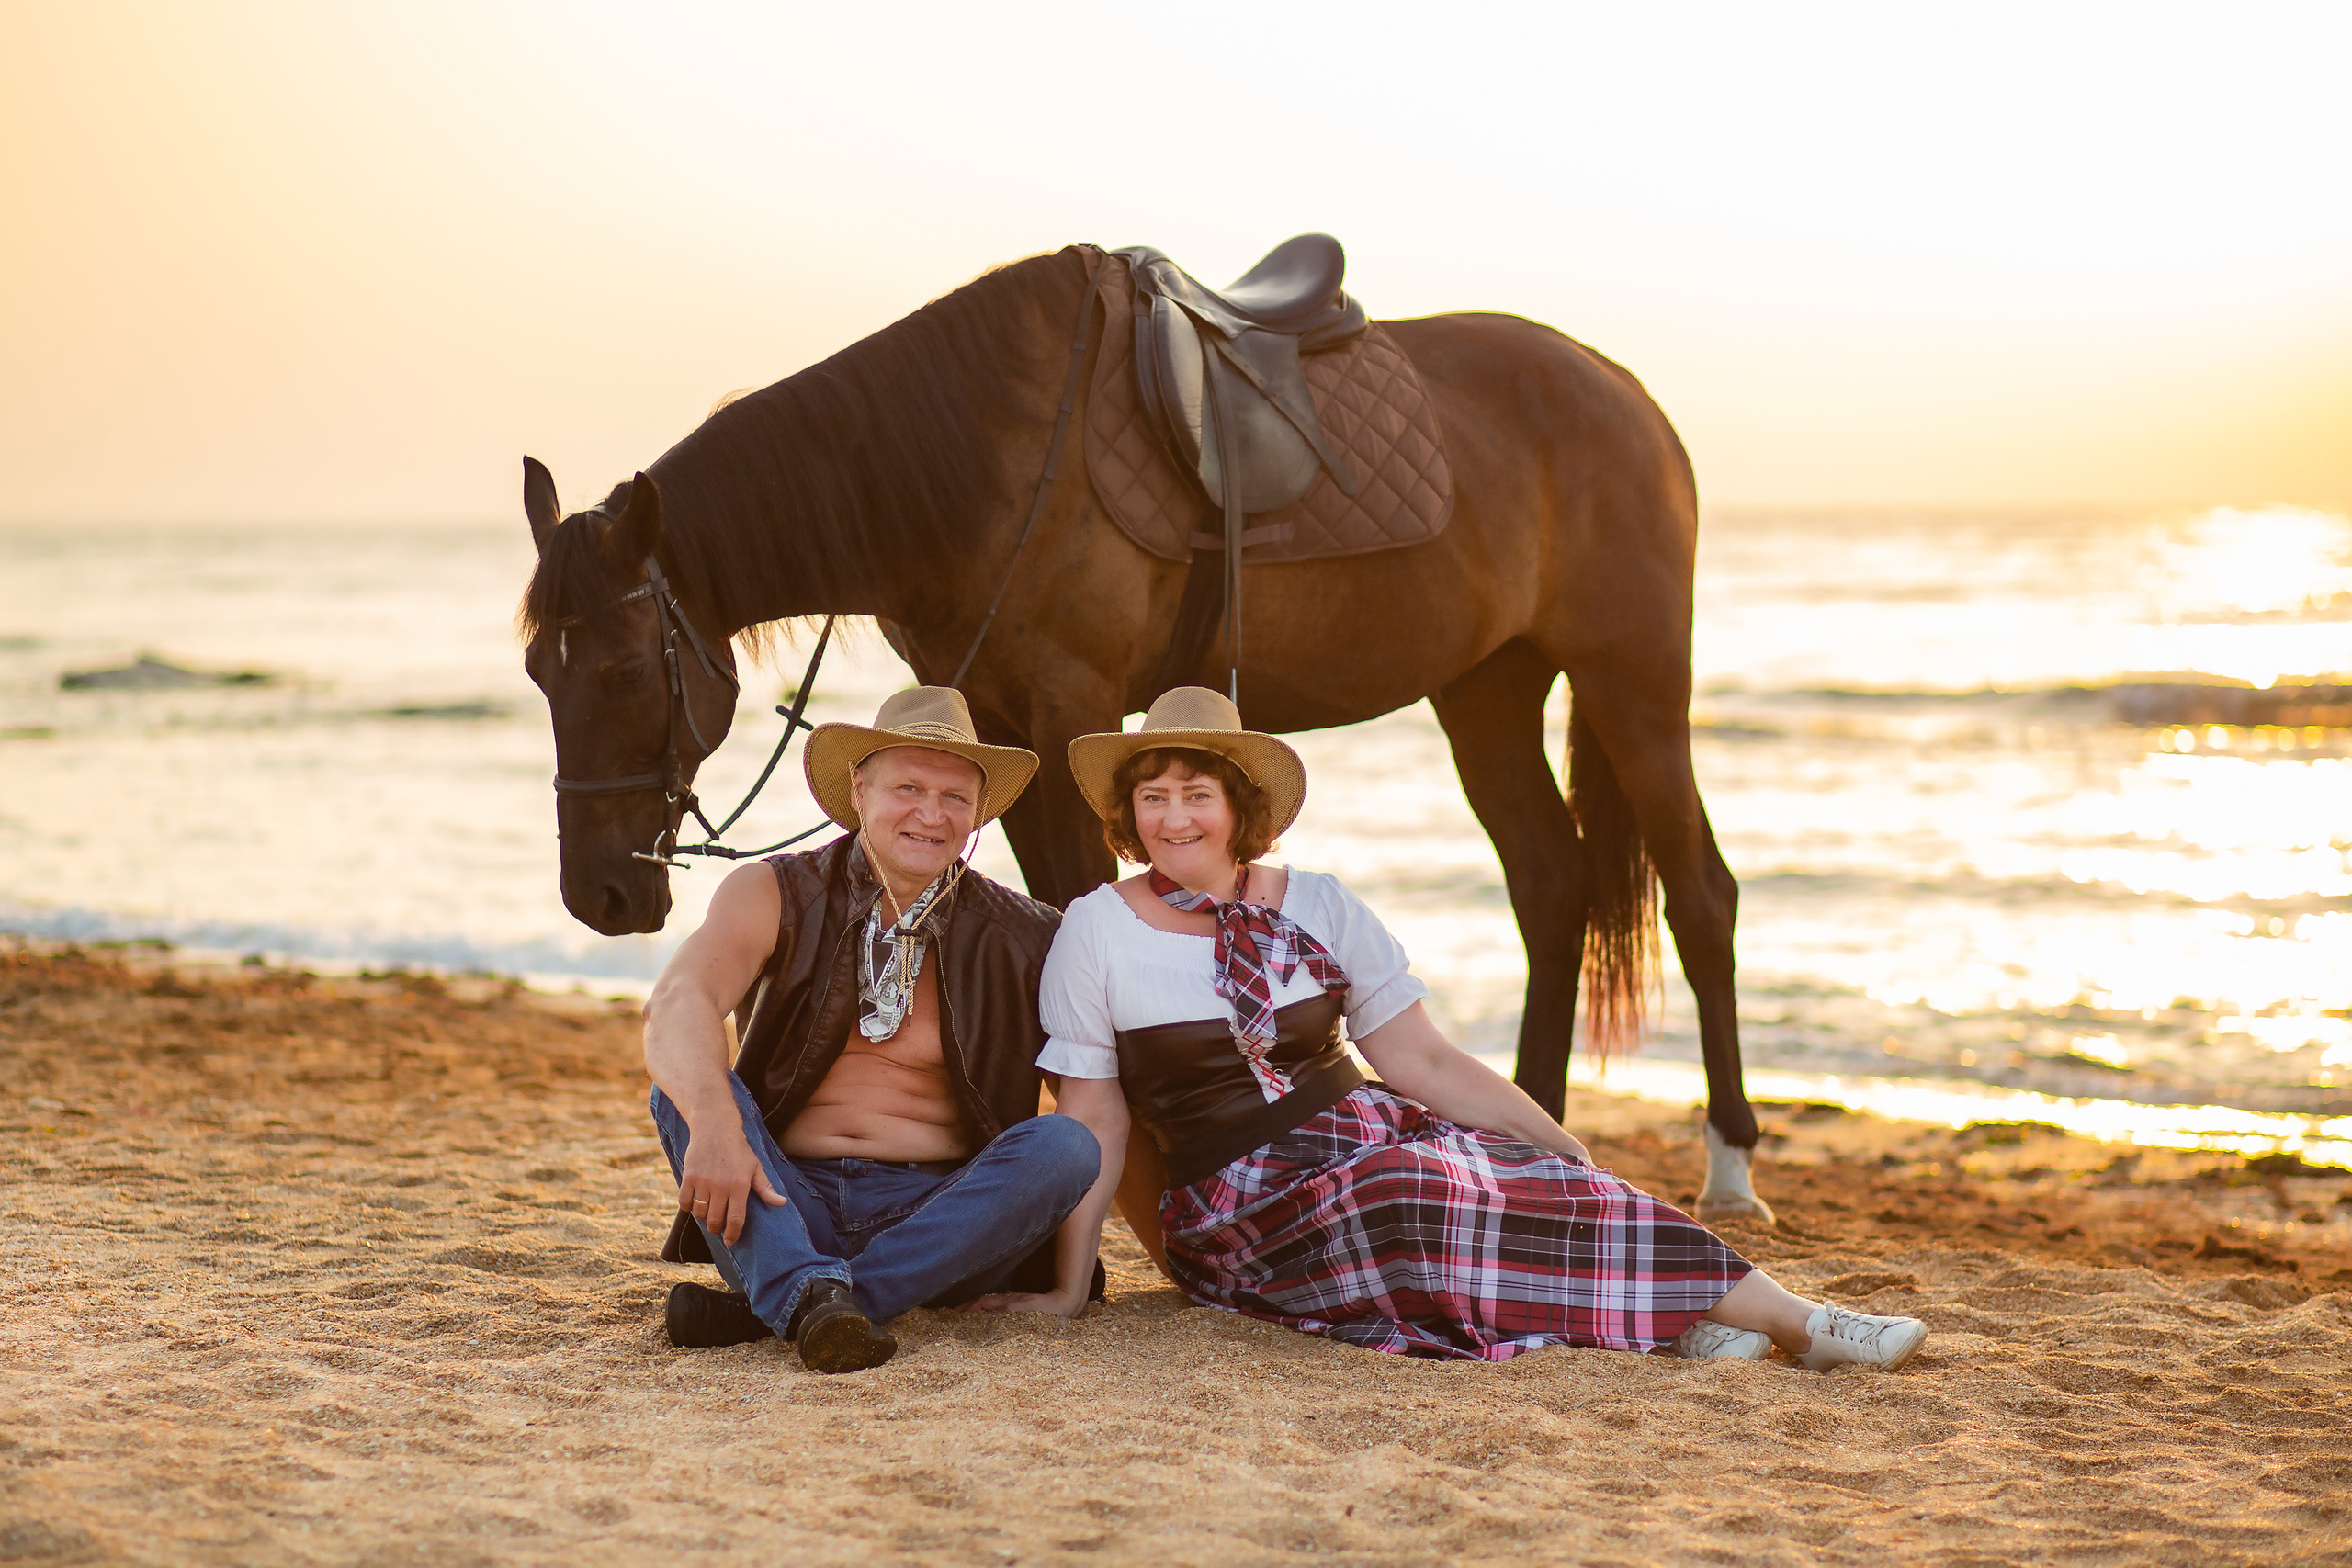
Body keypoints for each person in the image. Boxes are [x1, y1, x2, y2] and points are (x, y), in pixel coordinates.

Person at [1035, 686, 1928, 1369]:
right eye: (1153, 797)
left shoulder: (1317, 903)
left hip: (1372, 1130)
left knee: (1527, 1178)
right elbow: (1094, 1117)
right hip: (1238, 1202)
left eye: (1196, 793)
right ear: (1128, 811)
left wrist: (1561, 1147)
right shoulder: (1097, 927)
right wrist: (1072, 1286)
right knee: (1405, 1197)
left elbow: (1419, 1057)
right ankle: (1747, 1324)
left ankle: (1797, 1322)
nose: (1174, 817)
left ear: (1237, 805)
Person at [640, 687, 1125, 1373]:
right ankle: (818, 1289)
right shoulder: (774, 892)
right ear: (859, 789)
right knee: (684, 1090)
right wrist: (717, 1126)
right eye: (908, 787)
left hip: (939, 1220)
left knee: (1065, 1144)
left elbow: (1094, 1107)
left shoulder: (1030, 935)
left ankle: (794, 1298)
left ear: (979, 812)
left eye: (956, 796)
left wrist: (1071, 1285)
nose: (932, 813)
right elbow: (677, 1001)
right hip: (780, 1200)